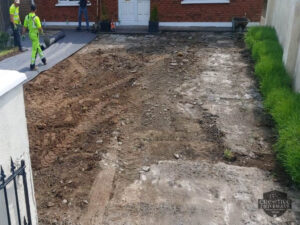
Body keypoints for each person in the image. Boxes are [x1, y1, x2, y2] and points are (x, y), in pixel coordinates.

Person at [23, 4, 47, 71]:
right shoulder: (36, 18)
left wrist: (23, 34)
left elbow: (24, 27)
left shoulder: (27, 17)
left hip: (30, 35)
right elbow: (39, 27)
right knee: (34, 50)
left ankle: (44, 60)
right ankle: (32, 66)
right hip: (35, 36)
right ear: (35, 10)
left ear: (30, 9)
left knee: (38, 47)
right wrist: (42, 32)